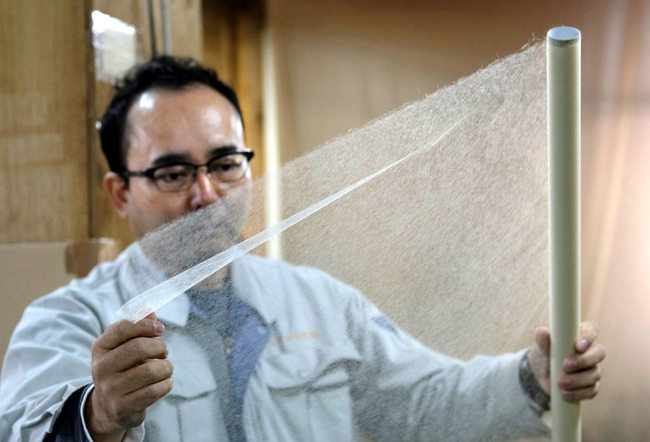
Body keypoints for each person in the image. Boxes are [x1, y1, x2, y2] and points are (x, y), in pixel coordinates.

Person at [0, 56, 606, 442]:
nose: (207, 195)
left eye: (225, 164)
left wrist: (531, 379)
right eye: (172, 174)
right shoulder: (68, 322)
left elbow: (425, 403)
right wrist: (98, 416)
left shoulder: (319, 303)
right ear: (119, 192)